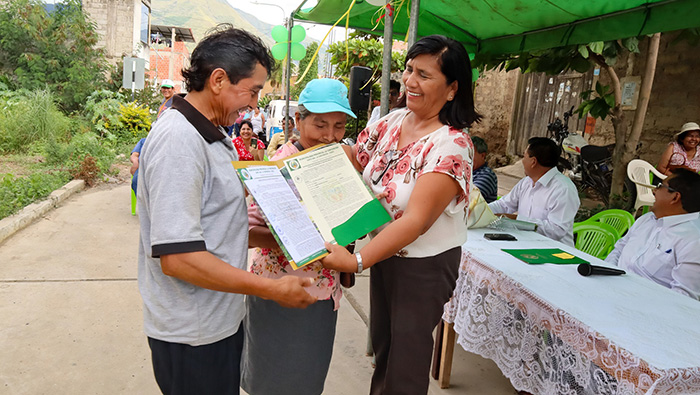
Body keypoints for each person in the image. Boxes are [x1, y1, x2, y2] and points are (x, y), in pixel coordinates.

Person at [136, 26, 316, 395]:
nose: (253, 105)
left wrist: (289, 242)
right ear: (218, 80)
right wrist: (270, 289)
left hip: (219, 321)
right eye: (251, 91)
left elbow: (218, 226)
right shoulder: (179, 141)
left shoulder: (215, 135)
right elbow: (178, 258)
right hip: (192, 334)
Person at [321, 35, 480, 395]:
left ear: (452, 89)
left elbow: (416, 220)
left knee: (406, 364)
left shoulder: (452, 144)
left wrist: (357, 260)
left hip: (424, 266)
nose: (409, 81)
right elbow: (355, 158)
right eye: (409, 69)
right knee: (385, 350)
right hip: (385, 256)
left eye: (424, 74)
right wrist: (309, 154)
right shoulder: (392, 122)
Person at [242, 78, 356, 395]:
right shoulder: (278, 167)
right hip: (278, 290)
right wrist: (297, 239)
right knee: (271, 379)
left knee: (308, 378)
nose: (330, 136)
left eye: (339, 126)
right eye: (320, 125)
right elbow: (248, 232)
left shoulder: (339, 163)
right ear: (297, 120)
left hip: (322, 293)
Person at [605, 169, 700, 300]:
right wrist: (605, 277)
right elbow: (619, 248)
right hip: (609, 290)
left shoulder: (694, 240)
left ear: (675, 197)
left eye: (660, 186)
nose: (654, 191)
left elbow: (682, 298)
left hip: (642, 306)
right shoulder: (646, 219)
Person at [489, 137, 580, 246]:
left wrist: (518, 220)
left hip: (555, 252)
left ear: (533, 162)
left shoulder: (563, 189)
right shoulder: (526, 182)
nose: (522, 161)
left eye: (524, 156)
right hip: (525, 244)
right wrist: (480, 210)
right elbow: (504, 204)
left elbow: (557, 230)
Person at [471, 135, 498, 203]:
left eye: (471, 154)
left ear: (482, 155)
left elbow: (470, 197)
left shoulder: (487, 175)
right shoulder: (465, 172)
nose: (466, 157)